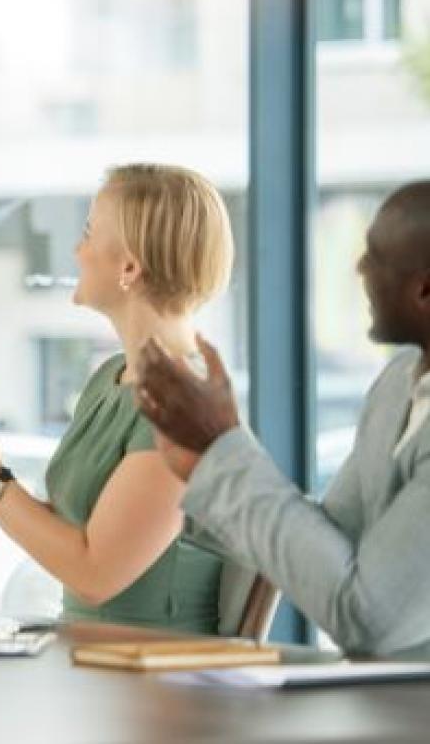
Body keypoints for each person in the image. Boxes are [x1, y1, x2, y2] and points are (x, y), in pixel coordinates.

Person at [0, 164, 233, 633]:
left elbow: (95, 574)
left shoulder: (183, 408)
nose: (78, 250)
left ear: (130, 267)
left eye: (90, 232)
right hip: (86, 654)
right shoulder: (111, 378)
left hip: (152, 678)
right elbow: (77, 531)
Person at [136, 181, 430, 657]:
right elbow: (332, 539)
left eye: (375, 257)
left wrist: (223, 446)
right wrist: (196, 476)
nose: (359, 269)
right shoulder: (398, 384)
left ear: (424, 289)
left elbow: (370, 620)